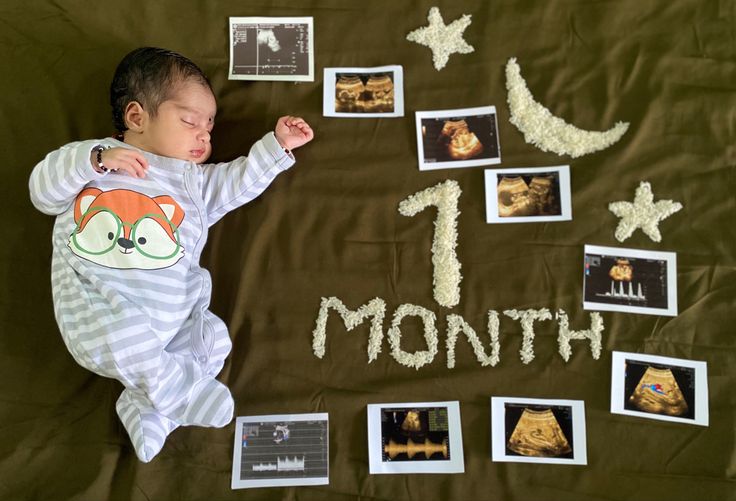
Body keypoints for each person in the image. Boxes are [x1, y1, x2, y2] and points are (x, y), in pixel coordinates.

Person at [28, 47, 314, 462]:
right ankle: (177, 392)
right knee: (126, 335)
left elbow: (239, 181)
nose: (205, 135)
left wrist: (277, 147)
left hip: (170, 319)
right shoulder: (92, 161)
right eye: (189, 121)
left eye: (210, 126)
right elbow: (42, 191)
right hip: (98, 309)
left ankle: (150, 409)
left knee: (213, 341)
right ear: (137, 117)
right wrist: (97, 160)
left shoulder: (192, 184)